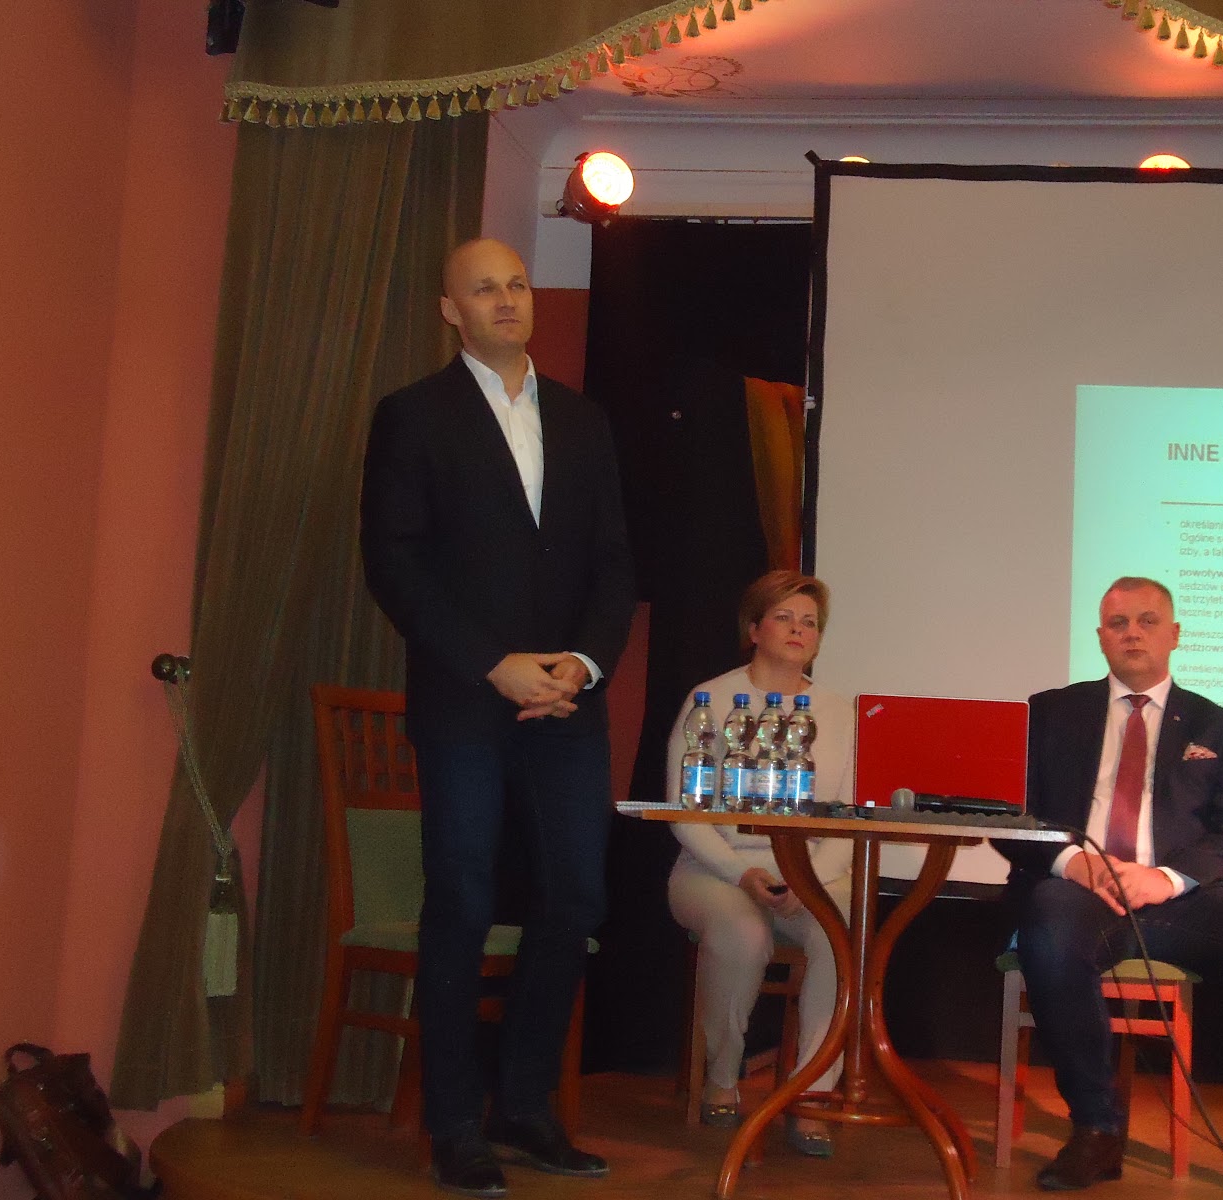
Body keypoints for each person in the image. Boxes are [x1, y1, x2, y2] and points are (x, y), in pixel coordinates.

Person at [360, 238, 634, 1198]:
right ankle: (452, 1125)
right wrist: (494, 664)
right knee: (463, 900)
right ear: (451, 310)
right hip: (464, 701)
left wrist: (582, 665)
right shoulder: (413, 416)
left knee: (576, 899)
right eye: (485, 288)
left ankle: (523, 1108)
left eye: (517, 283)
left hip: (568, 701)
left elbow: (613, 563)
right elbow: (394, 562)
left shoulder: (583, 419)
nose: (508, 299)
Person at [993, 577, 1223, 1200]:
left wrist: (1163, 878)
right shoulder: (1049, 712)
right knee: (1049, 929)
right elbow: (1010, 816)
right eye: (1118, 623)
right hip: (1078, 890)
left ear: (1174, 634)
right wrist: (1072, 863)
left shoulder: (1219, 727)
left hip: (1180, 898)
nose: (1132, 633)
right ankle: (1097, 1128)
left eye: (1147, 621)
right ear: (1100, 637)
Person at [666, 570, 854, 1159]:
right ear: (753, 629)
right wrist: (741, 874)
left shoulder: (841, 711)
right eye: (785, 617)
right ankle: (724, 1076)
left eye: (810, 623)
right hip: (715, 869)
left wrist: (810, 879)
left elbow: (850, 818)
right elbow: (682, 812)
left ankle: (811, 1094)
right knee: (744, 936)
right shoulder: (709, 700)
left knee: (842, 933)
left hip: (813, 872)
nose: (799, 630)